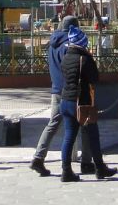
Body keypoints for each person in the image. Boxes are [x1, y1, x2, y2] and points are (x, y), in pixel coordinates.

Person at [29, 16, 92, 176]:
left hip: (56, 89)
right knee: (85, 123)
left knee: (53, 124)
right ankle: (86, 162)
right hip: (71, 91)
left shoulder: (52, 44)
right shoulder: (70, 45)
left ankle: (38, 157)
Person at [58, 26, 117, 182]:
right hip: (81, 102)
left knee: (69, 136)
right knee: (93, 135)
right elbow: (94, 78)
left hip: (65, 100)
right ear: (82, 43)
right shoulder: (84, 59)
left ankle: (66, 171)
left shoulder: (65, 57)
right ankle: (100, 167)